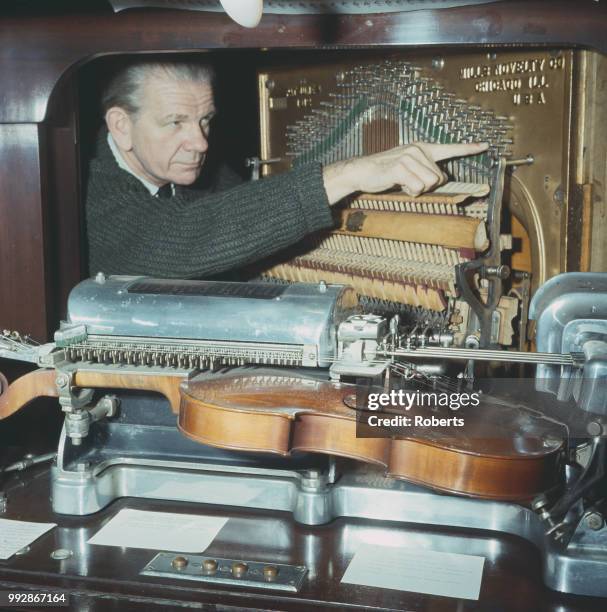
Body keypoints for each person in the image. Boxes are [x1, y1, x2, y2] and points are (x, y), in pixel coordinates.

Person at [85, 59, 487, 278]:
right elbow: (183, 237)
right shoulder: (87, 193)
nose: (201, 143)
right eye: (176, 123)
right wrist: (347, 174)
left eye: (205, 120)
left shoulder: (197, 170)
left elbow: (243, 214)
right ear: (121, 126)